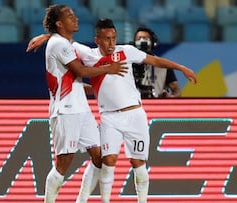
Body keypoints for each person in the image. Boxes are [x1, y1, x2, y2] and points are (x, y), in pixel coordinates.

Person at [27, 18, 197, 203]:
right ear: (97, 39)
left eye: (114, 38)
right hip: (109, 117)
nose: (111, 43)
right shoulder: (87, 54)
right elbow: (63, 42)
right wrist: (47, 36)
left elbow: (154, 60)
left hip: (135, 114)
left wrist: (181, 68)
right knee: (107, 162)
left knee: (138, 164)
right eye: (106, 39)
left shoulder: (126, 51)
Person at [37, 5, 127, 203]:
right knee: (63, 163)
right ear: (60, 24)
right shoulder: (59, 44)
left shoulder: (67, 44)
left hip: (81, 109)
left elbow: (75, 78)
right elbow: (80, 71)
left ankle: (81, 200)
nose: (75, 18)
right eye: (70, 16)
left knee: (100, 157)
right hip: (66, 111)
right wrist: (110, 69)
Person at [133, 27, 181, 98]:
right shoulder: (128, 64)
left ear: (153, 43)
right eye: (139, 39)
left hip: (157, 105)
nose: (142, 41)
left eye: (145, 38)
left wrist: (171, 97)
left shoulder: (163, 65)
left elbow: (177, 91)